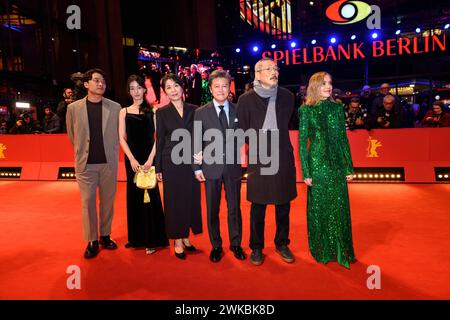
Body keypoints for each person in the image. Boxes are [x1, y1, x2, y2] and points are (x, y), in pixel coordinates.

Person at [237, 58, 297, 266]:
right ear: (258, 74)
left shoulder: (288, 97)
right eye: (269, 69)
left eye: (276, 68)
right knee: (258, 206)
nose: (274, 72)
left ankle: (282, 243)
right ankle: (256, 247)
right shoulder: (245, 100)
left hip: (282, 157)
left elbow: (288, 123)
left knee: (283, 205)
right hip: (259, 159)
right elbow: (241, 130)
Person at [298, 71, 356, 269]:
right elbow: (301, 142)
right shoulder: (306, 111)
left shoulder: (338, 108)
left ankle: (342, 249)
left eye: (330, 83)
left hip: (336, 165)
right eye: (323, 83)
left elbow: (343, 138)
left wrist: (349, 165)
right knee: (320, 208)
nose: (328, 86)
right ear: (315, 86)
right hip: (317, 164)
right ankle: (322, 249)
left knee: (339, 207)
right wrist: (306, 171)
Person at [66, 68, 121, 259]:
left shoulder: (115, 108)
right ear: (86, 84)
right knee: (87, 202)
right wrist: (83, 152)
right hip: (86, 165)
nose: (101, 84)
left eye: (103, 81)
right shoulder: (73, 108)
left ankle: (105, 235)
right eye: (97, 80)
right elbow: (72, 136)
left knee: (107, 202)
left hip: (108, 164)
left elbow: (120, 134)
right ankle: (92, 240)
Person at [193, 70, 245, 263]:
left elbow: (244, 135)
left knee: (234, 208)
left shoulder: (238, 109)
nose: (221, 90)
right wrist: (196, 167)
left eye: (225, 86)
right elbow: (196, 141)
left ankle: (236, 243)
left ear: (229, 87)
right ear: (210, 88)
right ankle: (216, 245)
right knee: (212, 209)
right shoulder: (200, 112)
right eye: (217, 86)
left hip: (232, 167)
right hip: (210, 168)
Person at [119, 75, 169, 255]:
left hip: (149, 158)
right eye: (132, 88)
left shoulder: (153, 111)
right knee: (134, 196)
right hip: (132, 160)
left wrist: (150, 159)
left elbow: (159, 137)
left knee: (150, 195)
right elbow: (121, 139)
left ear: (144, 89)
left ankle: (152, 239)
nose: (136, 91)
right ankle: (136, 238)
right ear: (128, 91)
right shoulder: (123, 111)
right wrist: (131, 159)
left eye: (139, 87)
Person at [155, 73, 202, 260]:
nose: (173, 90)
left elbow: (200, 136)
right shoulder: (162, 112)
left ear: (182, 88)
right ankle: (177, 240)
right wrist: (158, 167)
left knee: (190, 199)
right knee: (174, 201)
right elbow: (159, 141)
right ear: (164, 92)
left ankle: (186, 236)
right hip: (171, 161)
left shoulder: (195, 109)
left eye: (176, 86)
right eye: (168, 87)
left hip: (191, 162)